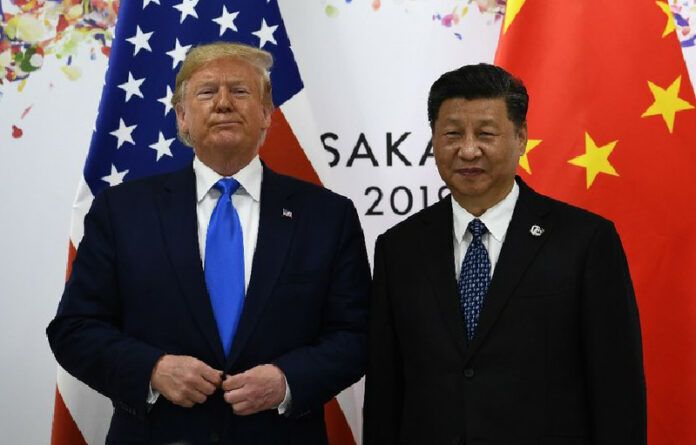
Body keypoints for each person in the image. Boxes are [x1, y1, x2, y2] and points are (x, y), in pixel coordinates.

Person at [47, 42, 370, 445]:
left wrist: (288, 381)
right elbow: (74, 329)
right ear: (181, 116)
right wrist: (152, 370)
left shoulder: (327, 215)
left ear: (267, 112)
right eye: (206, 92)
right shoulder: (121, 211)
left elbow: (357, 335)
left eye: (239, 90)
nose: (223, 103)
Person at [363, 64, 646, 445]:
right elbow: (385, 390)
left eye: (485, 134)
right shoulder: (398, 248)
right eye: (452, 134)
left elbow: (617, 389)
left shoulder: (585, 241)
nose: (467, 149)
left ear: (521, 137)